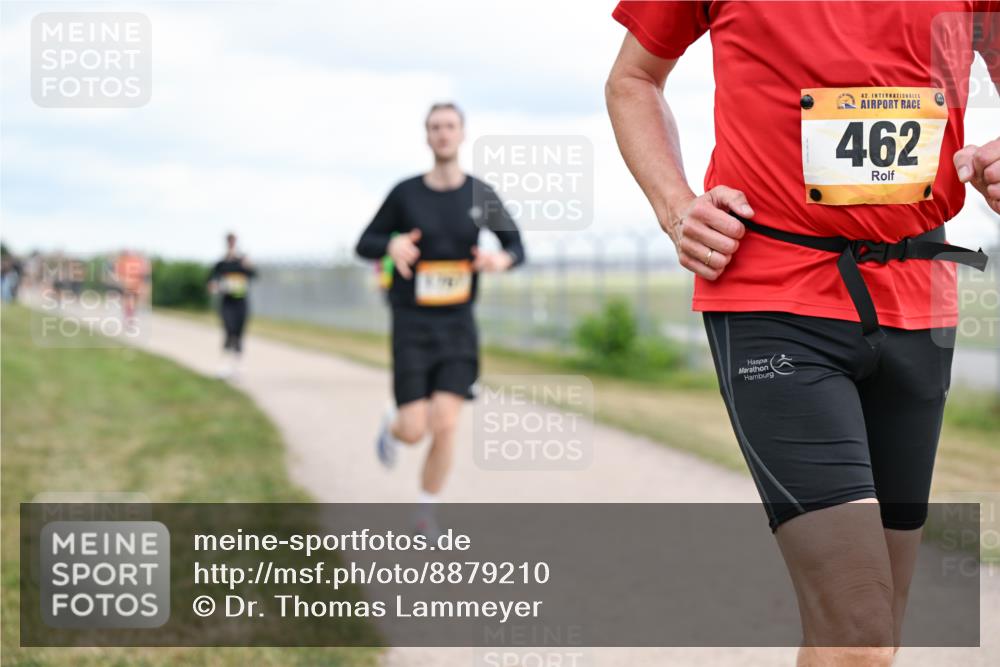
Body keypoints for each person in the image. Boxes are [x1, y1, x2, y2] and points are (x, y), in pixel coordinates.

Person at [606, 2, 997, 665]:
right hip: (773, 294)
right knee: (860, 629)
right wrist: (676, 208)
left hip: (916, 299)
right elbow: (633, 79)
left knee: (859, 631)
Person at [356, 102, 526, 536]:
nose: (443, 134)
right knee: (415, 430)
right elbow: (365, 243)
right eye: (435, 127)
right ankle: (391, 428)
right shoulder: (405, 194)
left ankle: (426, 512)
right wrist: (391, 244)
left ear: (462, 133)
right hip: (411, 325)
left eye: (449, 126)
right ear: (427, 136)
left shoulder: (479, 195)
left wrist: (498, 260)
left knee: (446, 423)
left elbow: (516, 247)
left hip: (458, 328)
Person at [207, 233, 257, 379]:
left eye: (233, 242)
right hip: (227, 303)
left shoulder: (242, 262)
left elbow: (254, 274)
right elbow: (211, 281)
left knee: (239, 333)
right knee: (229, 330)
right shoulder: (221, 264)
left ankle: (237, 366)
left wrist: (248, 264)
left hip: (241, 302)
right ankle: (224, 365)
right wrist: (214, 286)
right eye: (229, 242)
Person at [114, 249, 150, 324]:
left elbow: (143, 275)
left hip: (135, 286)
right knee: (128, 302)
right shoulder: (123, 261)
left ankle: (130, 316)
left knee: (132, 302)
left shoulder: (137, 262)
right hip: (128, 285)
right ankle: (128, 317)